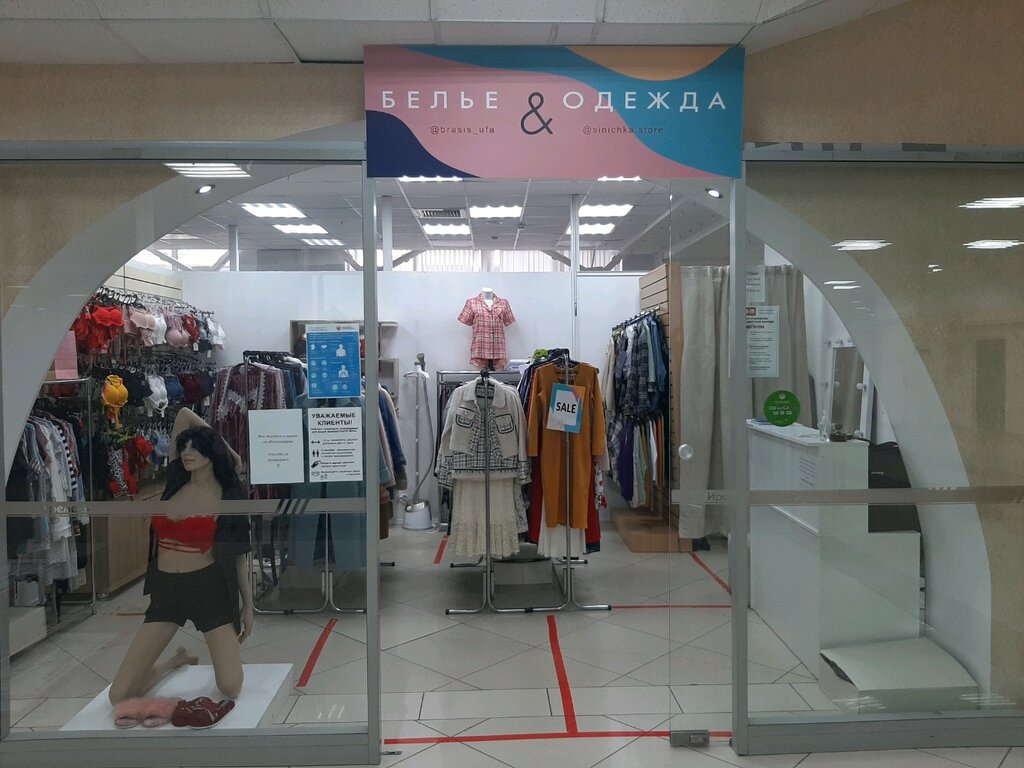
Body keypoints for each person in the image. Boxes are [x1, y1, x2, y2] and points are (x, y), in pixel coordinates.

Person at [109, 407, 253, 705]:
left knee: (230, 687)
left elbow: (239, 555)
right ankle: (175, 661)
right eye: (183, 447)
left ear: (210, 454)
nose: (186, 453)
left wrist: (248, 607)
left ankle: (183, 659)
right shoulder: (176, 478)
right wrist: (229, 449)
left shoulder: (228, 494)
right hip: (167, 592)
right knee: (119, 695)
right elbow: (185, 414)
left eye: (195, 448)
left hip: (209, 590)